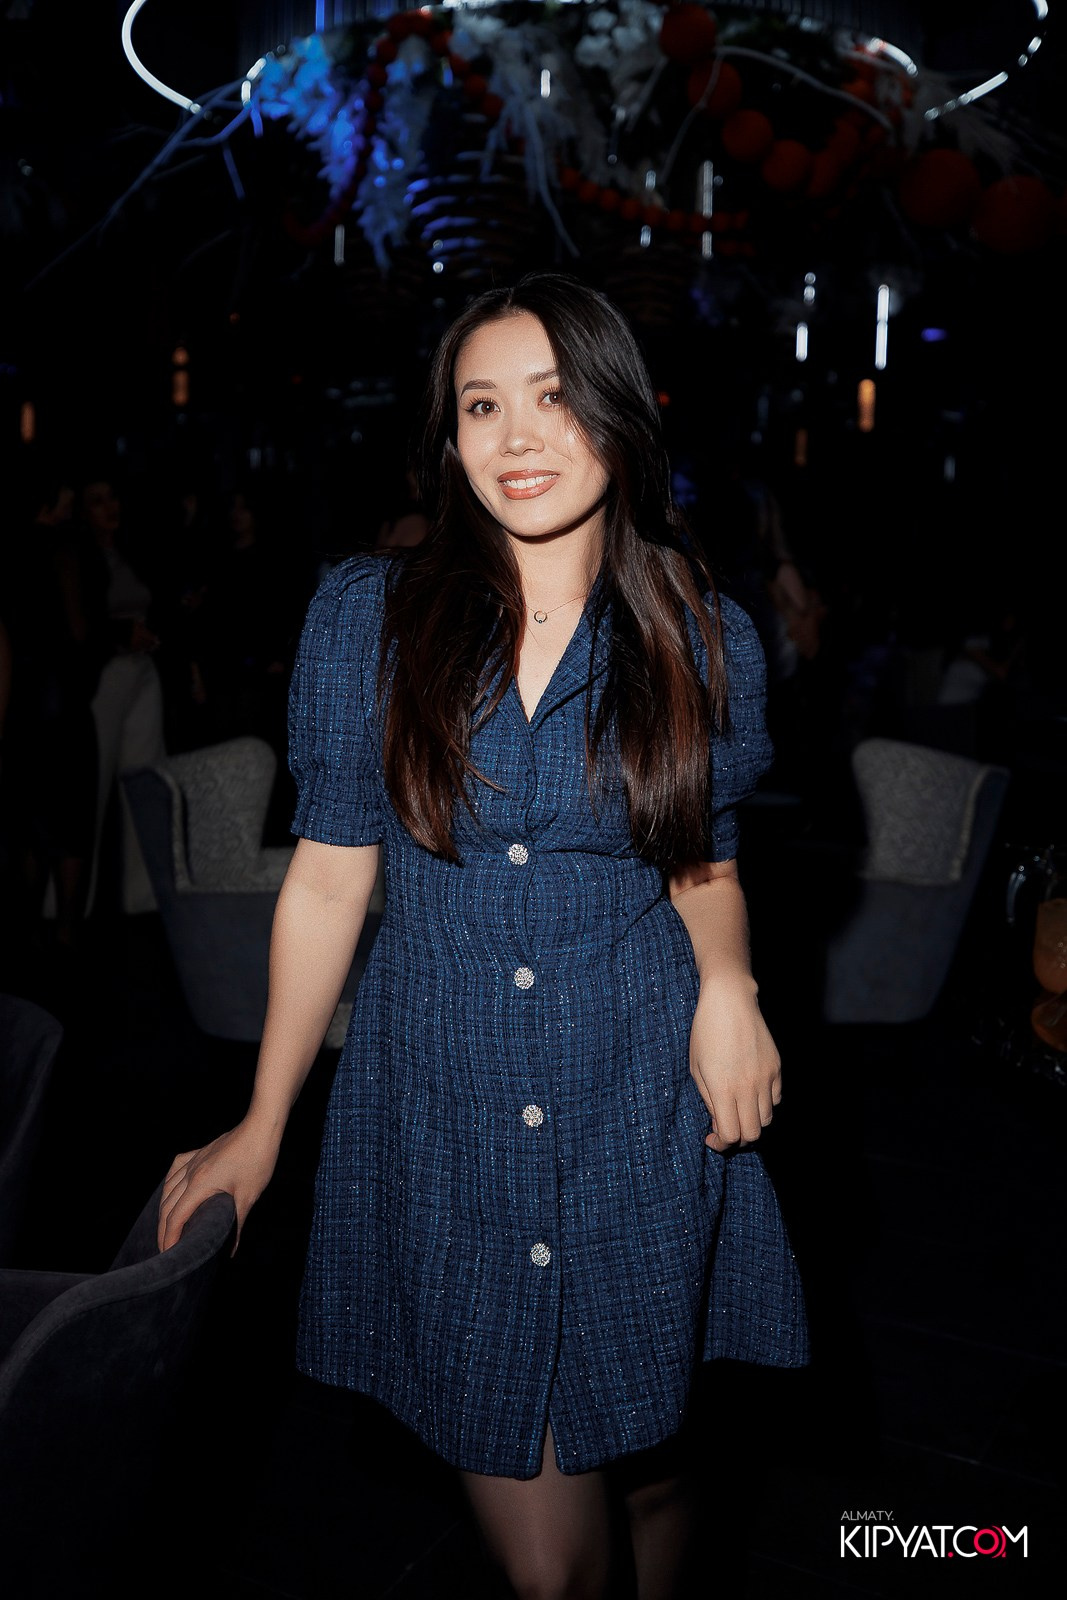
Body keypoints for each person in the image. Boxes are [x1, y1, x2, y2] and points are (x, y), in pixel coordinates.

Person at [157, 273, 810, 1599]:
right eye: (481, 405)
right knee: (552, 1567)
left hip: (641, 1108)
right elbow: (329, 881)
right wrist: (265, 1120)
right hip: (441, 1116)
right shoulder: (369, 617)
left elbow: (701, 855)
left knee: (654, 1460)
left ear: (619, 417)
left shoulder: (698, 631)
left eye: (555, 399)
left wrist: (730, 985)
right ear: (448, 438)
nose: (517, 437)